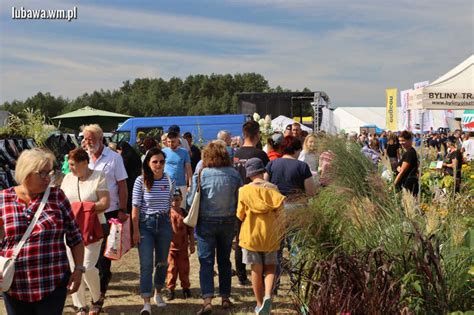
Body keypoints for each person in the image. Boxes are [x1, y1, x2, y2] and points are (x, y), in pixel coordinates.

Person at [0, 148, 84, 315]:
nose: (48, 178)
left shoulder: (57, 197)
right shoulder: (3, 199)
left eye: (50, 172)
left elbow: (75, 237)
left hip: (51, 282)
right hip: (14, 285)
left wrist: (79, 269)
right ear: (26, 173)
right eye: (42, 173)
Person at [187, 141, 242, 315]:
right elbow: (239, 198)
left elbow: (190, 200)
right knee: (225, 261)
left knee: (206, 262)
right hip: (228, 221)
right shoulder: (233, 174)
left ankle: (207, 299)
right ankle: (225, 297)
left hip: (206, 221)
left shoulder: (202, 173)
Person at [81, 124, 128, 304]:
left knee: (103, 255)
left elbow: (122, 185)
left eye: (90, 139)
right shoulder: (83, 158)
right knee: (88, 254)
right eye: (85, 138)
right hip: (88, 213)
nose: (86, 142)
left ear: (100, 139)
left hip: (109, 212)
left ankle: (99, 294)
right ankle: (94, 289)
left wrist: (122, 209)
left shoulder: (114, 158)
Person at [61, 148, 110, 315]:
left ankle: (97, 299)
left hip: (93, 228)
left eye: (73, 164)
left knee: (87, 267)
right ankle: (80, 306)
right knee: (75, 267)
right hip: (71, 231)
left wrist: (82, 209)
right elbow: (61, 203)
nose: (70, 168)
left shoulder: (99, 176)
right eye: (69, 165)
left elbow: (105, 203)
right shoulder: (67, 179)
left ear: (84, 163)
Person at [237, 158, 285, 315]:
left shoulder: (244, 191)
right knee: (271, 268)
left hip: (251, 235)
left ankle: (259, 305)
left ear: (249, 174)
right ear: (262, 171)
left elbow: (240, 214)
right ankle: (267, 297)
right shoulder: (273, 189)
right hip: (270, 234)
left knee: (256, 270)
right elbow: (281, 215)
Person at [132, 148, 175, 314]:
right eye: (155, 162)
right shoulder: (140, 181)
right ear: (148, 163)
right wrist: (135, 230)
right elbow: (135, 208)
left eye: (161, 161)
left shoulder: (169, 180)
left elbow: (169, 202)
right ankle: (146, 301)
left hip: (163, 223)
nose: (158, 165)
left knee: (162, 261)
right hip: (145, 225)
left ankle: (158, 291)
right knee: (146, 263)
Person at [233, 120, 270, 287]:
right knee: (259, 237)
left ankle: (241, 275)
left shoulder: (235, 153)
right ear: (257, 135)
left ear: (243, 135)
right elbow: (266, 179)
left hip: (238, 199)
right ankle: (260, 272)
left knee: (240, 239)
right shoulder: (260, 154)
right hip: (256, 200)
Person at [166, 189, 195, 301]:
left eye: (177, 200)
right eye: (172, 200)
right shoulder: (167, 214)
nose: (174, 202)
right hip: (171, 247)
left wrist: (192, 243)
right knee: (171, 269)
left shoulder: (185, 213)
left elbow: (191, 230)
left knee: (184, 269)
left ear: (181, 199)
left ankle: (186, 288)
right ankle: (170, 289)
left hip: (183, 247)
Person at [163, 132, 192, 208]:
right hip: (166, 184)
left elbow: (188, 169)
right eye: (169, 142)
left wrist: (190, 185)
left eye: (173, 142)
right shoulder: (163, 152)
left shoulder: (184, 152)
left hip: (181, 184)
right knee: (167, 208)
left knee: (182, 208)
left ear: (177, 140)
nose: (170, 144)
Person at [394, 131, 419, 195]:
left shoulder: (409, 153)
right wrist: (398, 167)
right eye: (400, 141)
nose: (401, 143)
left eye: (403, 140)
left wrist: (393, 184)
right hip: (407, 183)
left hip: (408, 184)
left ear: (409, 140)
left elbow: (402, 171)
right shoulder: (409, 152)